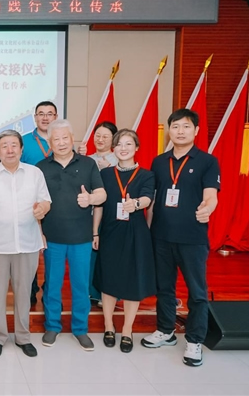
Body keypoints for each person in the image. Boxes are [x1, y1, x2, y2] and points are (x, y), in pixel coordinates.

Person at [142, 109, 220, 367]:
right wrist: (148, 231)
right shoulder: (159, 162)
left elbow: (211, 195)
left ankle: (195, 340)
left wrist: (208, 208)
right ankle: (165, 330)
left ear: (196, 131)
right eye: (175, 126)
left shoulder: (207, 161)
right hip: (161, 236)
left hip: (192, 238)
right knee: (164, 288)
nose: (180, 131)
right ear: (169, 131)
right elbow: (153, 200)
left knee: (197, 292)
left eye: (186, 126)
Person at [0, 130, 51, 358]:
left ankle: (23, 337)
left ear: (21, 149)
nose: (9, 150)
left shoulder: (35, 173)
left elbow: (46, 201)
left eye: (14, 145)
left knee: (24, 293)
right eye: (4, 146)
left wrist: (42, 209)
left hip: (27, 244)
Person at [37, 119, 106, 351]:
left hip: (81, 237)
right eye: (56, 139)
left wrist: (90, 199)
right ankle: (52, 326)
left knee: (80, 285)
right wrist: (39, 232)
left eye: (65, 137)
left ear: (72, 138)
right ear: (50, 142)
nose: (61, 142)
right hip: (52, 237)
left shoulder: (88, 164)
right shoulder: (41, 167)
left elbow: (102, 194)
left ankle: (80, 329)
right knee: (52, 285)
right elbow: (35, 203)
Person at [92, 129, 155, 353]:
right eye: (119, 144)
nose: (123, 148)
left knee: (132, 281)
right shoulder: (105, 174)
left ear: (136, 148)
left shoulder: (146, 175)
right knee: (108, 279)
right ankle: (109, 326)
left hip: (135, 234)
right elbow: (99, 205)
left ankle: (127, 329)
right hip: (110, 232)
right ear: (114, 148)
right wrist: (95, 232)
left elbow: (147, 198)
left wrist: (135, 204)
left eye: (128, 144)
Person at [20, 100, 59, 305]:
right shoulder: (24, 141)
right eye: (41, 114)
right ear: (35, 117)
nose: (45, 117)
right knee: (30, 250)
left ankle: (50, 292)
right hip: (30, 204)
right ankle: (30, 288)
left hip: (57, 205)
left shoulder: (61, 140)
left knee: (53, 252)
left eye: (49, 114)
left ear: (56, 117)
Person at [77, 121, 119, 308]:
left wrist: (108, 168)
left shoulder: (119, 158)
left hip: (112, 215)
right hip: (90, 215)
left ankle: (108, 294)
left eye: (105, 136)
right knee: (90, 255)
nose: (100, 139)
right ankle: (90, 292)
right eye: (98, 136)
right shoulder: (87, 160)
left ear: (113, 139)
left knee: (109, 256)